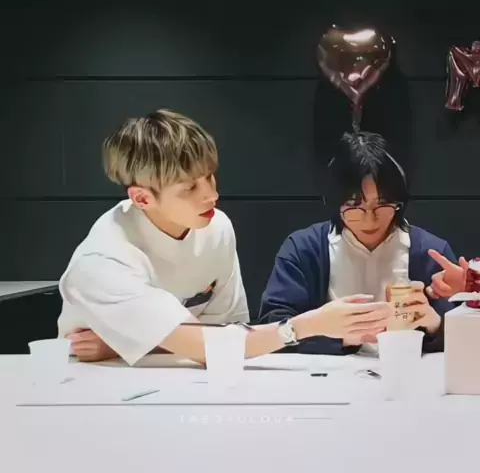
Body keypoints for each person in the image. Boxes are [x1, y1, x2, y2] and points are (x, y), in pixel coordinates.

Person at [57, 110, 391, 365]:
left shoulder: (215, 227)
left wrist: (129, 341)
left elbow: (228, 334)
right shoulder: (103, 262)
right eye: (189, 188)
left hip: (183, 375)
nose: (211, 196)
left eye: (210, 177)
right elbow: (212, 348)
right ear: (142, 198)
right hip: (94, 384)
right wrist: (309, 325)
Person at [257, 131, 457, 355]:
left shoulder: (431, 253)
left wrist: (435, 325)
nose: (369, 220)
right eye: (354, 206)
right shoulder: (303, 249)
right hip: (328, 372)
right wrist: (336, 335)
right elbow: (272, 326)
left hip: (407, 368)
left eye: (382, 204)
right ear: (336, 202)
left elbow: (465, 339)